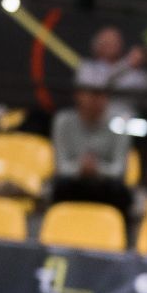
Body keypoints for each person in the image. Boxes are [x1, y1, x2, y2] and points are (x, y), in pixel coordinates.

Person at [49, 82, 134, 224]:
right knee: (59, 186)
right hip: (73, 182)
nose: (97, 101)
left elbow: (120, 169)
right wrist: (80, 168)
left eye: (102, 95)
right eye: (92, 94)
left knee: (120, 191)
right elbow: (61, 165)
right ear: (78, 95)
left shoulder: (120, 122)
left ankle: (120, 238)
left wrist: (97, 169)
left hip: (105, 184)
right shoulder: (63, 121)